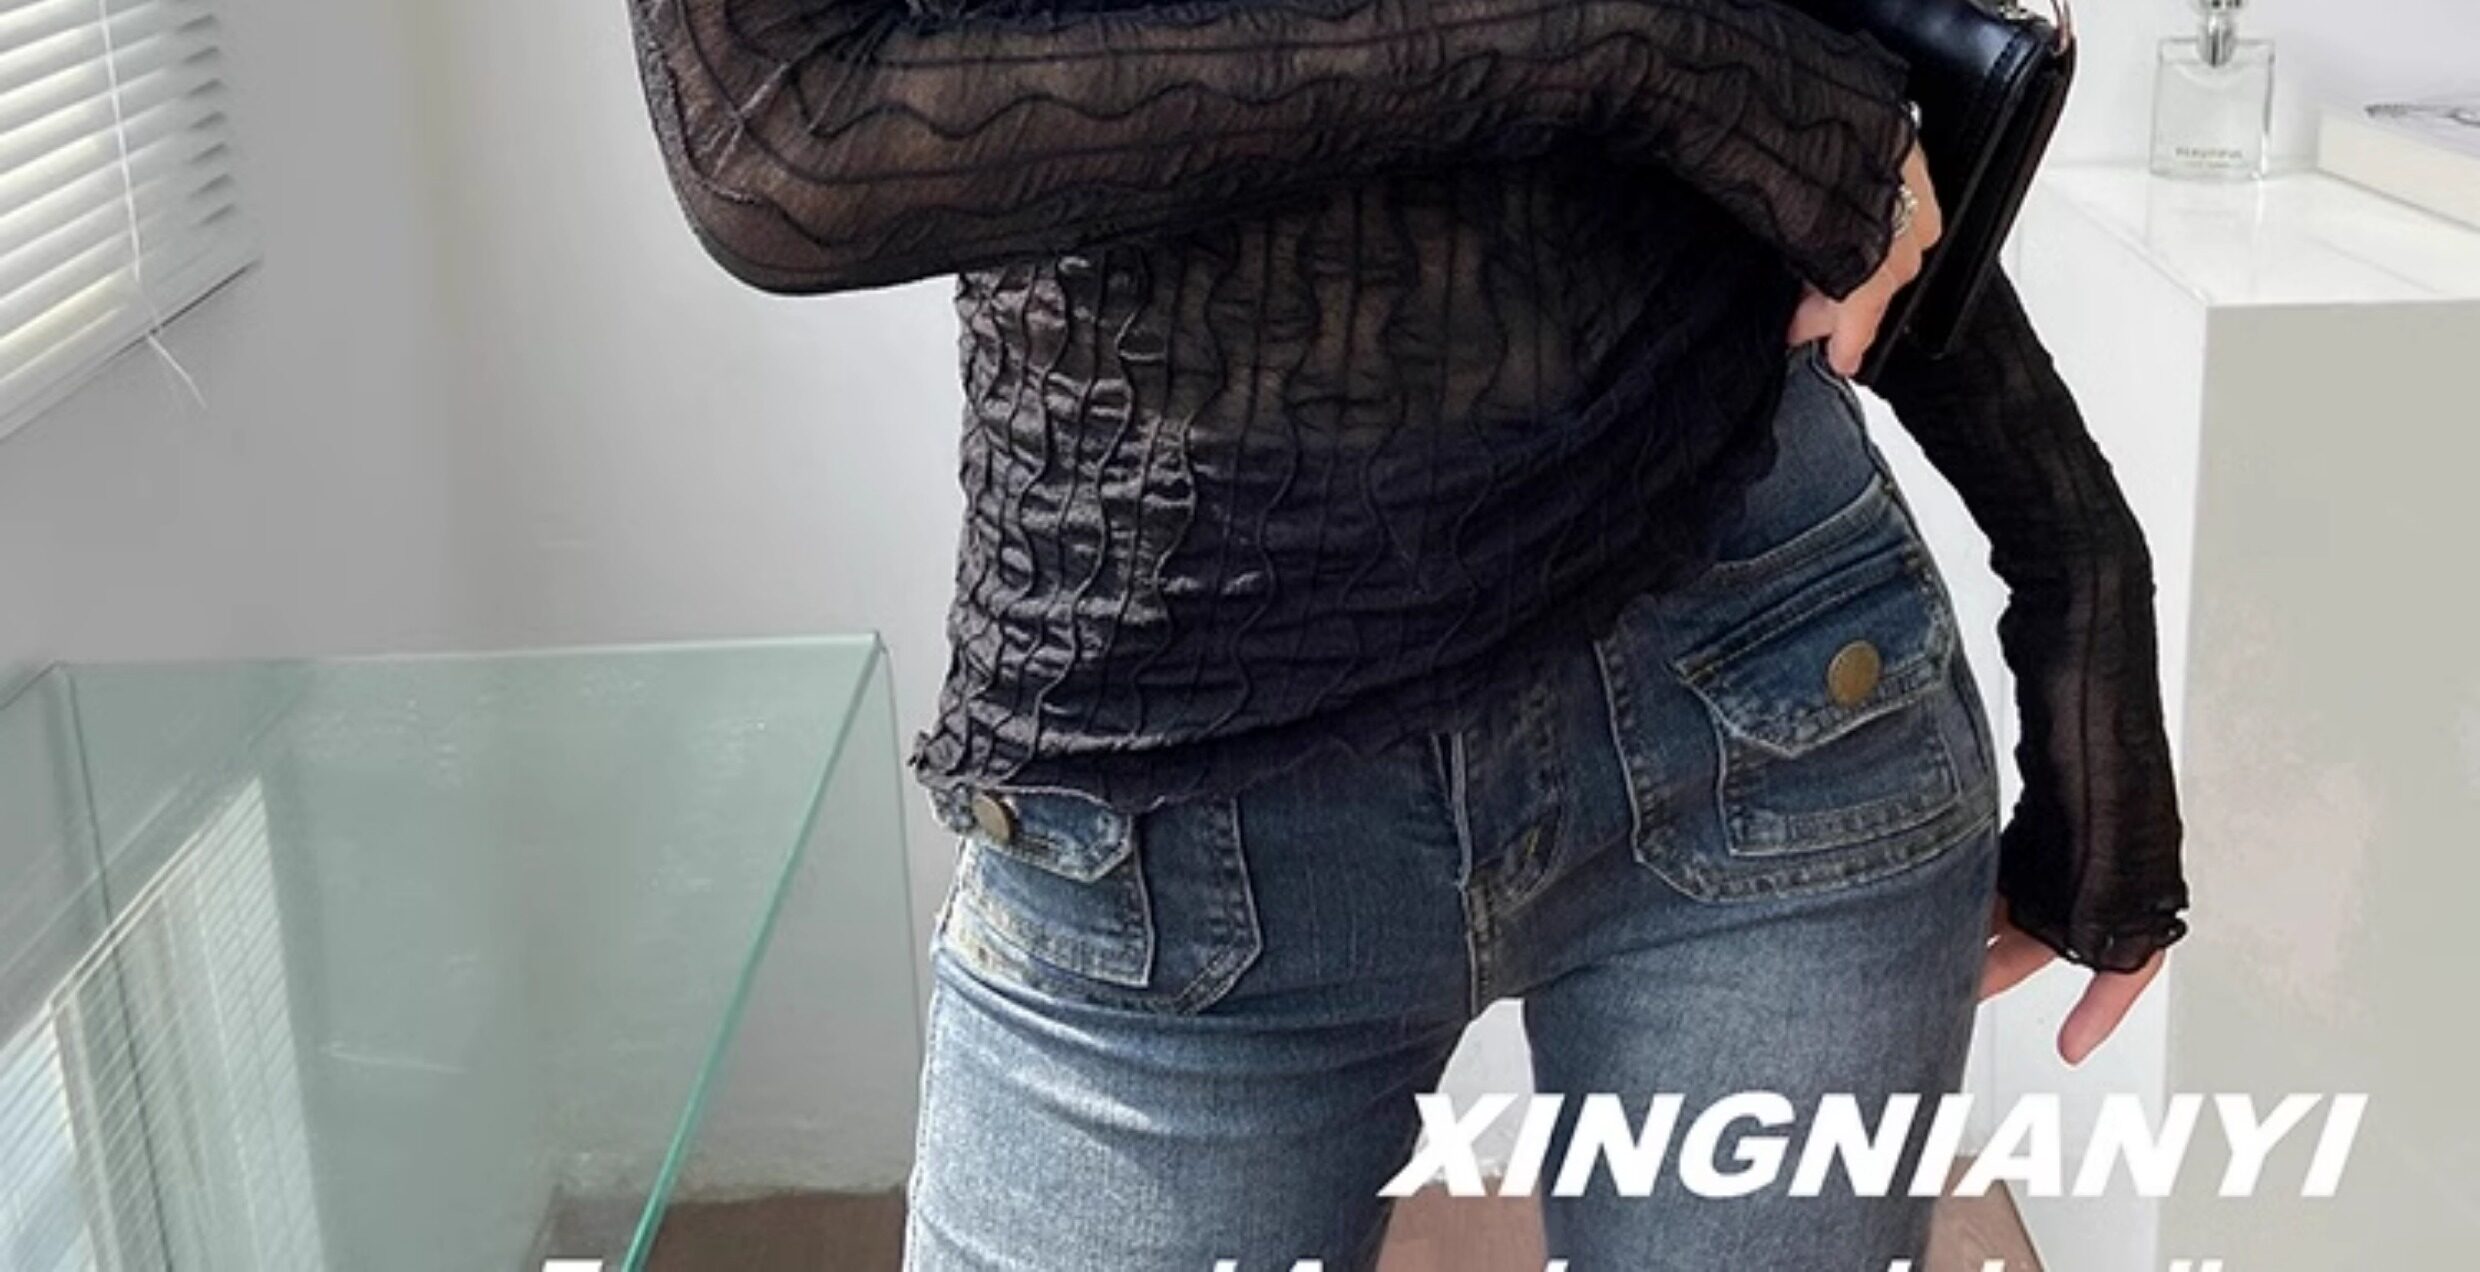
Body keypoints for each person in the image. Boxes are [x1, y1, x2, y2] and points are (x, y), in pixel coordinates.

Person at [623, 0, 2190, 1264]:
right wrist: (1618, 42)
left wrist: (2074, 551)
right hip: (1175, 788)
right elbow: (785, 140)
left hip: (1760, 670)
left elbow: (1801, 92)